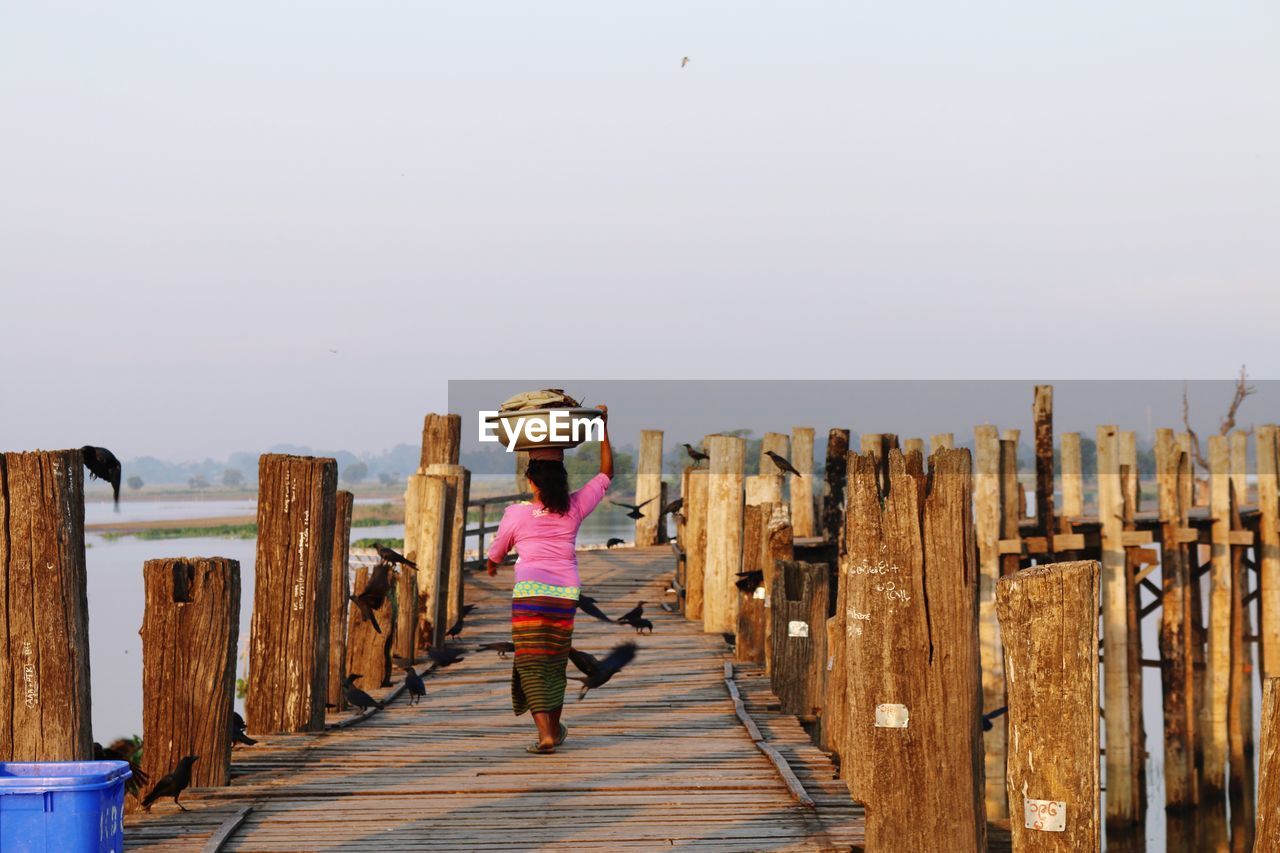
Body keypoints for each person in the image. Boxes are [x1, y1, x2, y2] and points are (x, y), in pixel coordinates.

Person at [485, 405, 613, 753]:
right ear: (562, 479)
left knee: (530, 661)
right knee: (555, 660)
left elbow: (497, 550)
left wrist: (493, 564)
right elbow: (605, 474)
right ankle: (553, 732)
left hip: (529, 595)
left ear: (530, 480)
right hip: (564, 596)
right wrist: (603, 426)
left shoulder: (516, 514)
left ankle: (546, 734)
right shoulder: (574, 507)